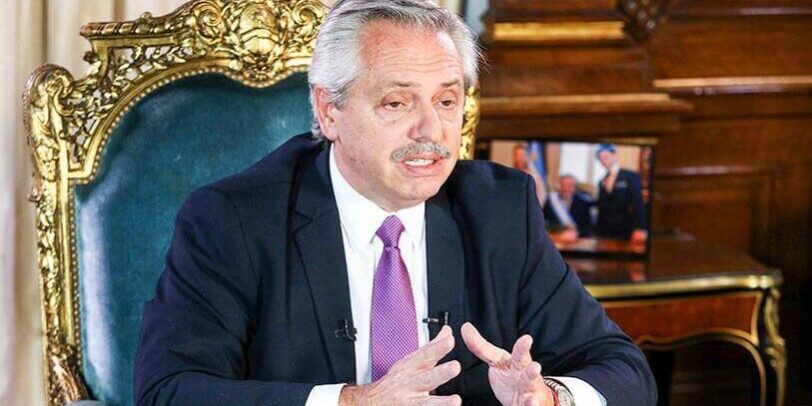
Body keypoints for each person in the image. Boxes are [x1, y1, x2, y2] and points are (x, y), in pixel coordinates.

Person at [133, 1, 657, 405]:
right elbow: (169, 390)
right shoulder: (233, 220)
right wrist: (350, 401)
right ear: (330, 111)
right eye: (396, 102)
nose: (431, 131)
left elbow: (624, 369)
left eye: (446, 101)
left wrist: (551, 397)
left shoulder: (500, 210)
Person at [594, 144, 648, 243]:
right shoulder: (601, 180)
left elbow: (638, 202)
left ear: (615, 156)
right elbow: (601, 205)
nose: (603, 161)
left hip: (625, 229)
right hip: (605, 231)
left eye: (605, 157)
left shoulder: (630, 176)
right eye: (600, 159)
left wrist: (640, 228)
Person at [543, 174, 595, 239]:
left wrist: (576, 234)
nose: (566, 188)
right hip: (557, 238)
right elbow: (545, 222)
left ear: (575, 188)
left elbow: (588, 227)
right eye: (564, 185)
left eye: (570, 186)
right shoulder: (551, 201)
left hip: (578, 240)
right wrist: (560, 232)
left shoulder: (583, 203)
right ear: (559, 186)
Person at [512, 143, 547, 209]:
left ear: (526, 157)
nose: (520, 158)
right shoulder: (510, 173)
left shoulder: (533, 174)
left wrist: (536, 208)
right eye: (517, 155)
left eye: (522, 155)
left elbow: (542, 193)